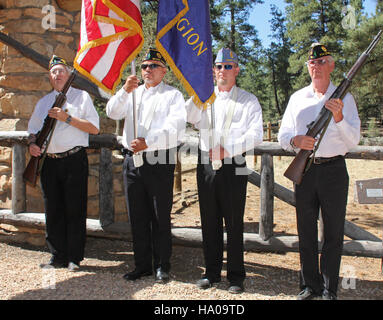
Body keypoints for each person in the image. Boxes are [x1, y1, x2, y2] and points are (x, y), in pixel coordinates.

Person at [278, 43, 361, 300]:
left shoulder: (345, 99)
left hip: (334, 169)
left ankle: (329, 288)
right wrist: (295, 142)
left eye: (322, 61)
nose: (317, 66)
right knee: (305, 230)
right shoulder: (297, 99)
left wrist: (338, 118)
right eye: (313, 63)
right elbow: (283, 135)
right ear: (308, 67)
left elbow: (354, 140)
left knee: (334, 233)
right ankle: (309, 285)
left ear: (332, 65)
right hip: (307, 170)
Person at [186, 48, 263, 294]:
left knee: (233, 222)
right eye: (219, 67)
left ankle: (236, 277)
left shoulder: (248, 100)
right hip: (207, 163)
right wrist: (198, 91)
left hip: (235, 164)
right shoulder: (205, 98)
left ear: (237, 70)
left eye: (228, 66)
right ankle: (211, 273)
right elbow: (188, 116)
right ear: (213, 71)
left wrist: (227, 150)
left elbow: (255, 134)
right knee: (209, 221)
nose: (223, 71)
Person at [106, 48, 186, 283]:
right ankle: (142, 265)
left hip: (158, 159)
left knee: (160, 216)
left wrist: (148, 142)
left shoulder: (173, 96)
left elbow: (176, 128)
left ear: (163, 71)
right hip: (133, 160)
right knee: (137, 216)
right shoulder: (132, 92)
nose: (147, 70)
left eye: (152, 66)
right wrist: (123, 90)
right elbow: (112, 112)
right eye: (144, 66)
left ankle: (162, 265)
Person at [28, 55, 100, 271]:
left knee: (74, 209)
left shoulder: (82, 97)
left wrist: (66, 118)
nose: (57, 74)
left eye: (61, 71)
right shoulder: (43, 103)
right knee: (53, 209)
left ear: (68, 75)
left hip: (74, 159)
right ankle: (57, 255)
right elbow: (32, 131)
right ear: (49, 77)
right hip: (50, 162)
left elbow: (94, 128)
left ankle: (74, 258)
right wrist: (32, 145)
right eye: (53, 72)